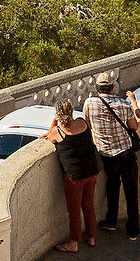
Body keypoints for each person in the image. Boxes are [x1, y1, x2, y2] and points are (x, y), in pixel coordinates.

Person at [83, 73, 140, 238]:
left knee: (112, 186)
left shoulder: (89, 103)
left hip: (106, 154)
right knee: (131, 191)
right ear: (113, 88)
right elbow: (134, 127)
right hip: (126, 153)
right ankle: (133, 230)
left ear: (96, 88)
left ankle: (111, 221)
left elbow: (87, 125)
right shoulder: (123, 104)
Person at [44, 101, 99, 252]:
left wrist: (54, 122)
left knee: (74, 210)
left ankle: (74, 243)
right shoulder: (83, 123)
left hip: (75, 177)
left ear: (58, 115)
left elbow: (48, 136)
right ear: (72, 111)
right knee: (88, 205)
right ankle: (91, 237)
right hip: (91, 171)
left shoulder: (59, 132)